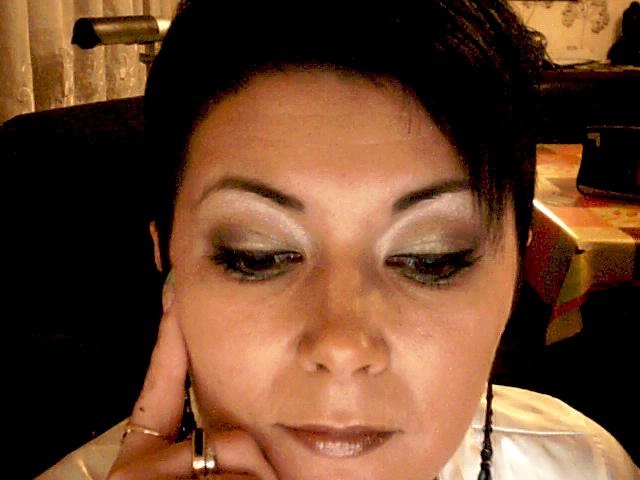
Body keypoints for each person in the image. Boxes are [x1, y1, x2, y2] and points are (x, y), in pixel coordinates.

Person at [37, 1, 639, 479]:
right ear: (166, 258)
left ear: (518, 267)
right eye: (257, 256)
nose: (343, 345)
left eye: (431, 259)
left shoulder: (585, 467)